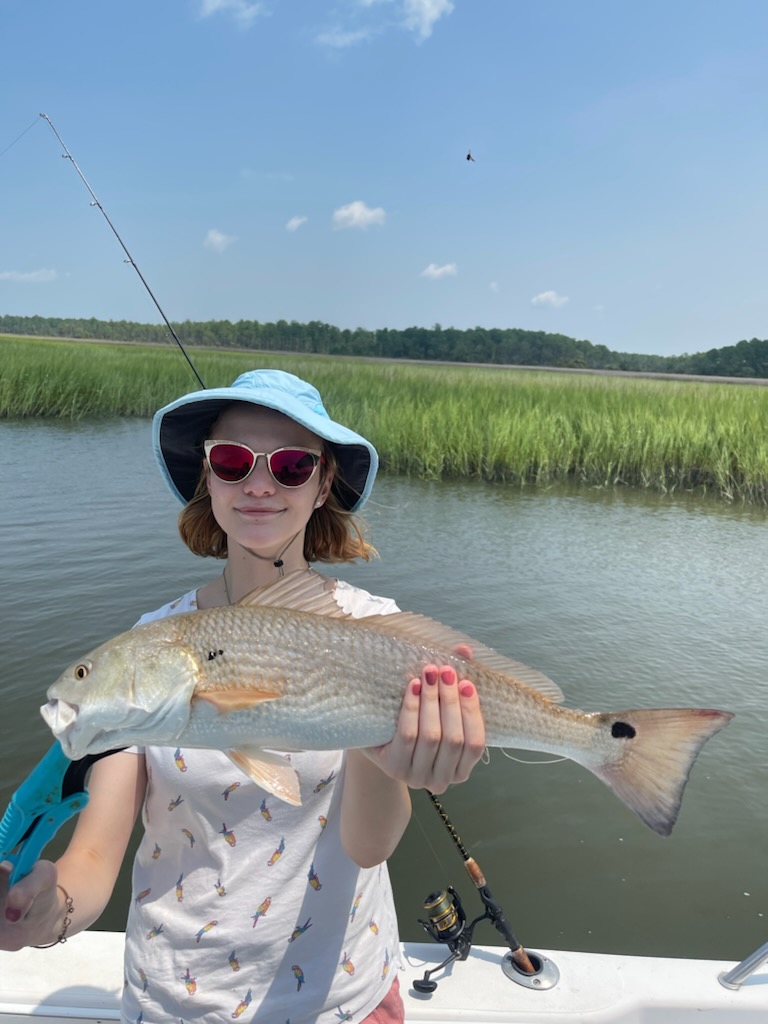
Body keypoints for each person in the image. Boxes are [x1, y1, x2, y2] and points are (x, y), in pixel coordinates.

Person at [0, 369, 486, 1023]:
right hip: (171, 1000)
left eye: (290, 466)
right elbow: (91, 857)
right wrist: (42, 910)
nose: (259, 484)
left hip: (338, 1001)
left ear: (322, 485)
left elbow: (370, 847)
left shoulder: (376, 634)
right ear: (207, 478)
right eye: (231, 462)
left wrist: (385, 752)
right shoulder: (148, 648)